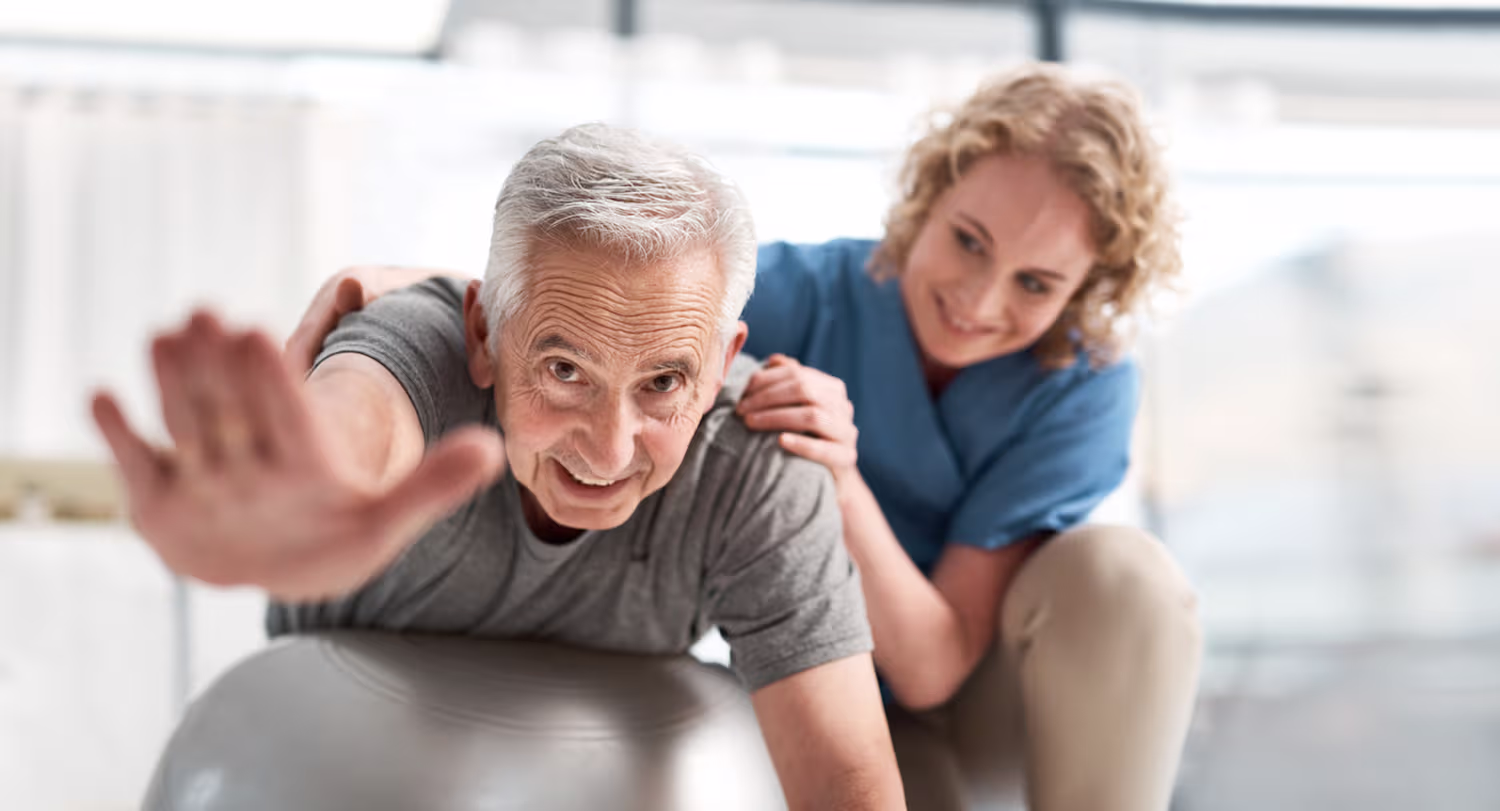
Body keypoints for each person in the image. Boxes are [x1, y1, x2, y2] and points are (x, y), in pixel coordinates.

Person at [290, 63, 1203, 810]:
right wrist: (410, 289)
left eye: (1037, 284)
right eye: (967, 241)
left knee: (1125, 577)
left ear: (1084, 292)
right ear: (927, 198)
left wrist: (839, 480)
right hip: (830, 684)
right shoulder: (813, 292)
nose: (981, 300)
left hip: (985, 693)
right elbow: (607, 299)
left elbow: (932, 669)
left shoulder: (1080, 385)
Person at [92, 123, 907, 811]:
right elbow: (358, 415)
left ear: (723, 356)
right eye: (564, 371)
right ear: (485, 332)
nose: (608, 448)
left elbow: (849, 783)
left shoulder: (757, 459)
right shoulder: (427, 343)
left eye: (662, 383)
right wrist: (309, 488)